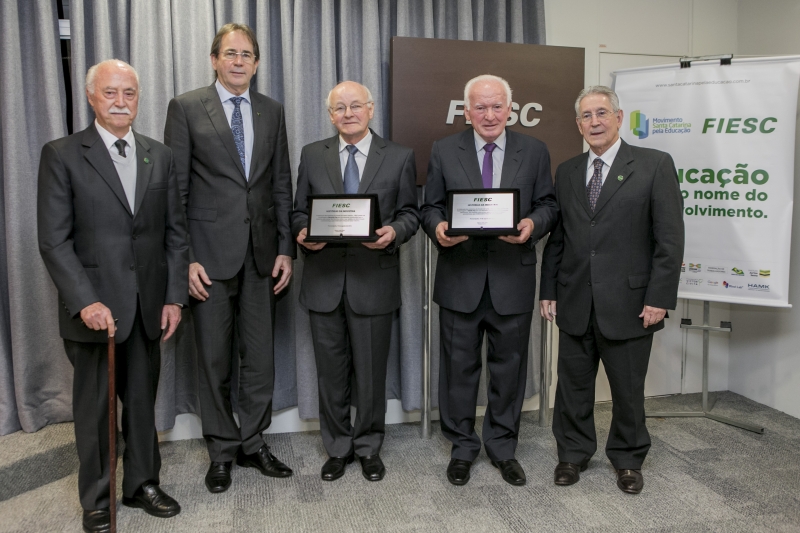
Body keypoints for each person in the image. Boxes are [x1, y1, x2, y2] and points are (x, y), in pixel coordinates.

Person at [37, 59, 188, 533]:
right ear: (91, 97)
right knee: (96, 409)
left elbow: (175, 234)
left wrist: (173, 297)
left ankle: (142, 483)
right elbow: (53, 240)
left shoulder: (158, 155)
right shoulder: (62, 154)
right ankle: (98, 498)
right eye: (111, 93)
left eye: (129, 93)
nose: (121, 102)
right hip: (95, 312)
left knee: (142, 402)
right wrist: (85, 301)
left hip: (147, 306)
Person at [163, 23, 295, 493]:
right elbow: (174, 192)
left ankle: (253, 442)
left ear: (256, 64)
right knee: (214, 361)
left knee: (259, 360)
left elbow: (281, 183)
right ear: (215, 60)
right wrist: (186, 260)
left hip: (262, 256)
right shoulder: (186, 107)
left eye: (247, 55)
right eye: (230, 53)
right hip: (208, 261)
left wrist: (285, 248)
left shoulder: (272, 111)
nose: (239, 61)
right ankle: (220, 450)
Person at [539, 86, 684, 494]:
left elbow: (669, 239)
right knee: (571, 388)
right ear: (578, 124)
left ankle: (628, 458)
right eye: (586, 116)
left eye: (602, 113)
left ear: (619, 118)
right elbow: (560, 238)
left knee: (628, 390)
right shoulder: (567, 171)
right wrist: (547, 289)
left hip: (632, 302)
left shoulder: (654, 165)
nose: (594, 122)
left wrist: (659, 297)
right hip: (574, 300)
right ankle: (572, 454)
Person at [420, 74, 558, 486]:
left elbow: (549, 205)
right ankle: (462, 447)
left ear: (510, 109)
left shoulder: (534, 151)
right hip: (459, 277)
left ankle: (502, 448)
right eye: (480, 107)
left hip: (511, 279)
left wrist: (533, 224)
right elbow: (429, 207)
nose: (489, 114)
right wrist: (440, 228)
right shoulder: (444, 150)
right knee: (458, 371)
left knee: (509, 372)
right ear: (466, 111)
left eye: (497, 106)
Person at [292, 81, 420, 482]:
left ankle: (367, 446)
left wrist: (394, 233)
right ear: (331, 115)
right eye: (340, 108)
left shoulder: (399, 156)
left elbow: (411, 214)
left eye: (355, 106)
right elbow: (298, 212)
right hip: (323, 280)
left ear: (371, 109)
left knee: (370, 373)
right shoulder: (313, 155)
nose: (348, 113)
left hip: (372, 280)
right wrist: (301, 234)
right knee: (330, 373)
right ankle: (337, 447)